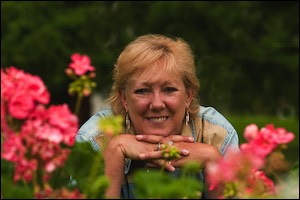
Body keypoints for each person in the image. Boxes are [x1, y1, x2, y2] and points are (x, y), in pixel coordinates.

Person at [75, 34, 240, 199]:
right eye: (143, 91)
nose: (157, 104)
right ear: (124, 98)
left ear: (189, 95)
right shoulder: (95, 139)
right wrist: (114, 152)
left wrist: (213, 160)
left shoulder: (217, 135)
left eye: (169, 89)